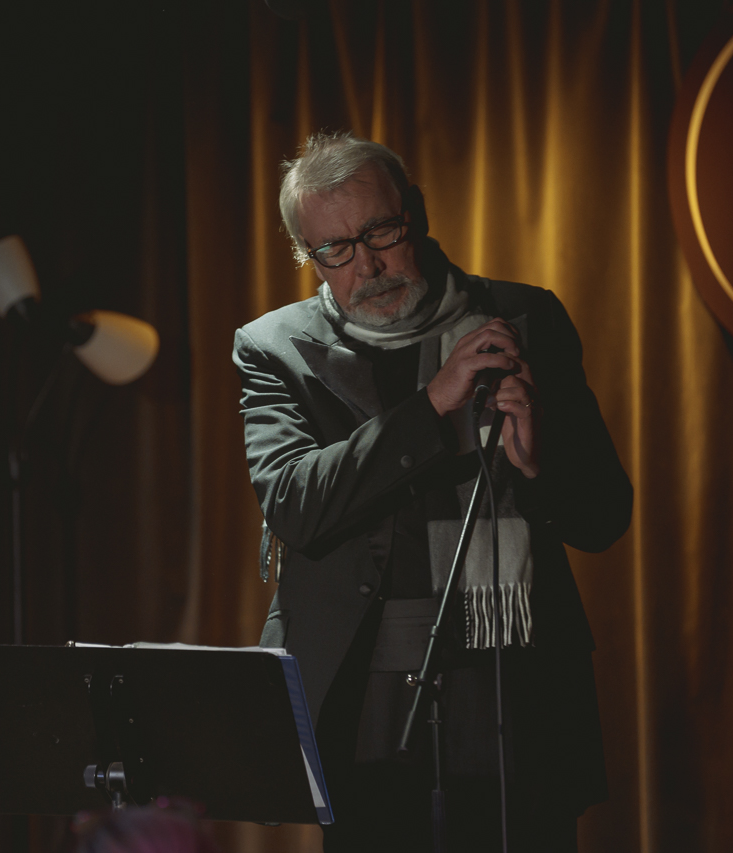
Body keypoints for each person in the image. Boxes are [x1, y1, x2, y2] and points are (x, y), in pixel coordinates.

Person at [233, 131, 631, 852]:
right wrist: (432, 406)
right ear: (309, 255)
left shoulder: (525, 316)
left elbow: (605, 516)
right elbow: (295, 507)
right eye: (335, 249)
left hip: (515, 679)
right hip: (363, 696)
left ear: (413, 212)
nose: (367, 265)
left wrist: (539, 466)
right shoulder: (274, 347)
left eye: (380, 232)